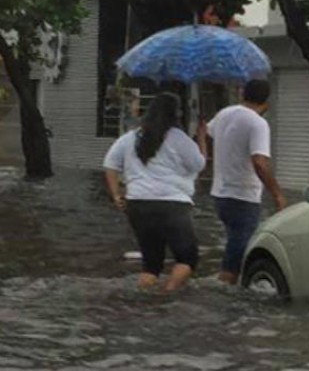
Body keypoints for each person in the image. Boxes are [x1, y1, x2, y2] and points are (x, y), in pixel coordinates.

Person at [103, 92, 207, 292]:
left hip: (138, 204)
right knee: (187, 258)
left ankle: (144, 300)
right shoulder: (179, 138)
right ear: (175, 114)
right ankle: (166, 295)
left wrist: (116, 195)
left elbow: (110, 165)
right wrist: (201, 139)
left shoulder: (131, 138)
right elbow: (199, 165)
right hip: (172, 204)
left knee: (151, 263)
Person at [200, 79, 287, 284]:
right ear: (266, 102)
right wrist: (278, 194)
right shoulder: (258, 123)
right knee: (239, 251)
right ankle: (225, 291)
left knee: (235, 244)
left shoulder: (224, 114)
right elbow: (259, 162)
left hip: (220, 195)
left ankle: (231, 285)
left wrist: (204, 154)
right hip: (243, 197)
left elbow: (203, 130)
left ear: (242, 94)